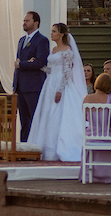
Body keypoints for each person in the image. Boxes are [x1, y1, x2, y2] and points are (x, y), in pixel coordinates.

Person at [27, 22, 86, 161]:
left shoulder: (67, 50)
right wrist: (41, 68)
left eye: (54, 31)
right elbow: (52, 69)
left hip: (62, 84)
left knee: (59, 113)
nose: (51, 33)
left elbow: (67, 71)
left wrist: (60, 90)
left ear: (61, 34)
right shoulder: (53, 50)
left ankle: (61, 147)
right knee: (47, 113)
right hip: (50, 82)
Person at [13, 11, 49, 142]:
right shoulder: (22, 40)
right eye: (24, 21)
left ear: (36, 23)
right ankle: (24, 146)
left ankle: (35, 146)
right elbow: (19, 62)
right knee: (24, 121)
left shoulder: (42, 40)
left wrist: (22, 64)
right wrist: (15, 84)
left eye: (27, 21)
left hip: (33, 86)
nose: (24, 23)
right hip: (21, 86)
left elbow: (40, 62)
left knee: (34, 118)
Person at [81, 72, 111, 182]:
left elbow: (85, 118)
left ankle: (88, 176)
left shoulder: (87, 98)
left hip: (91, 136)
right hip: (109, 137)